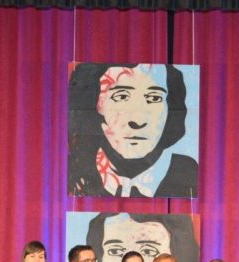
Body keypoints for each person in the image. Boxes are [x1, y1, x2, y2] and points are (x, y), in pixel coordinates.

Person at [68, 63, 198, 198]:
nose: (138, 121)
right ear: (95, 104)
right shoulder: (70, 171)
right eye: (121, 97)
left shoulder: (191, 175)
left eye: (154, 98)